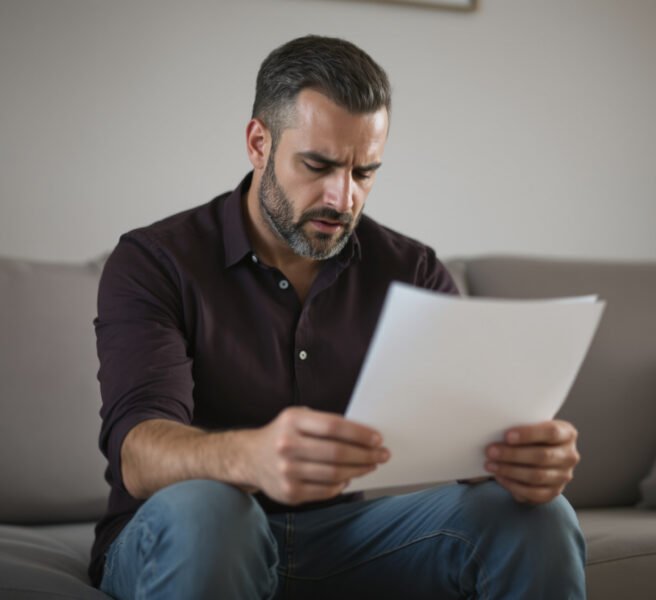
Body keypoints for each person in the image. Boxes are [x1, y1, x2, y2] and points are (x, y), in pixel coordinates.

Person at [90, 35, 585, 599]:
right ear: (258, 143)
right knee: (214, 510)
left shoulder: (412, 269)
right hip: (185, 532)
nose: (342, 198)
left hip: (345, 537)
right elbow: (138, 453)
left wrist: (519, 459)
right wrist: (249, 457)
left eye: (364, 172)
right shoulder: (155, 261)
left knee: (535, 517)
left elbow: (466, 445)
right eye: (318, 165)